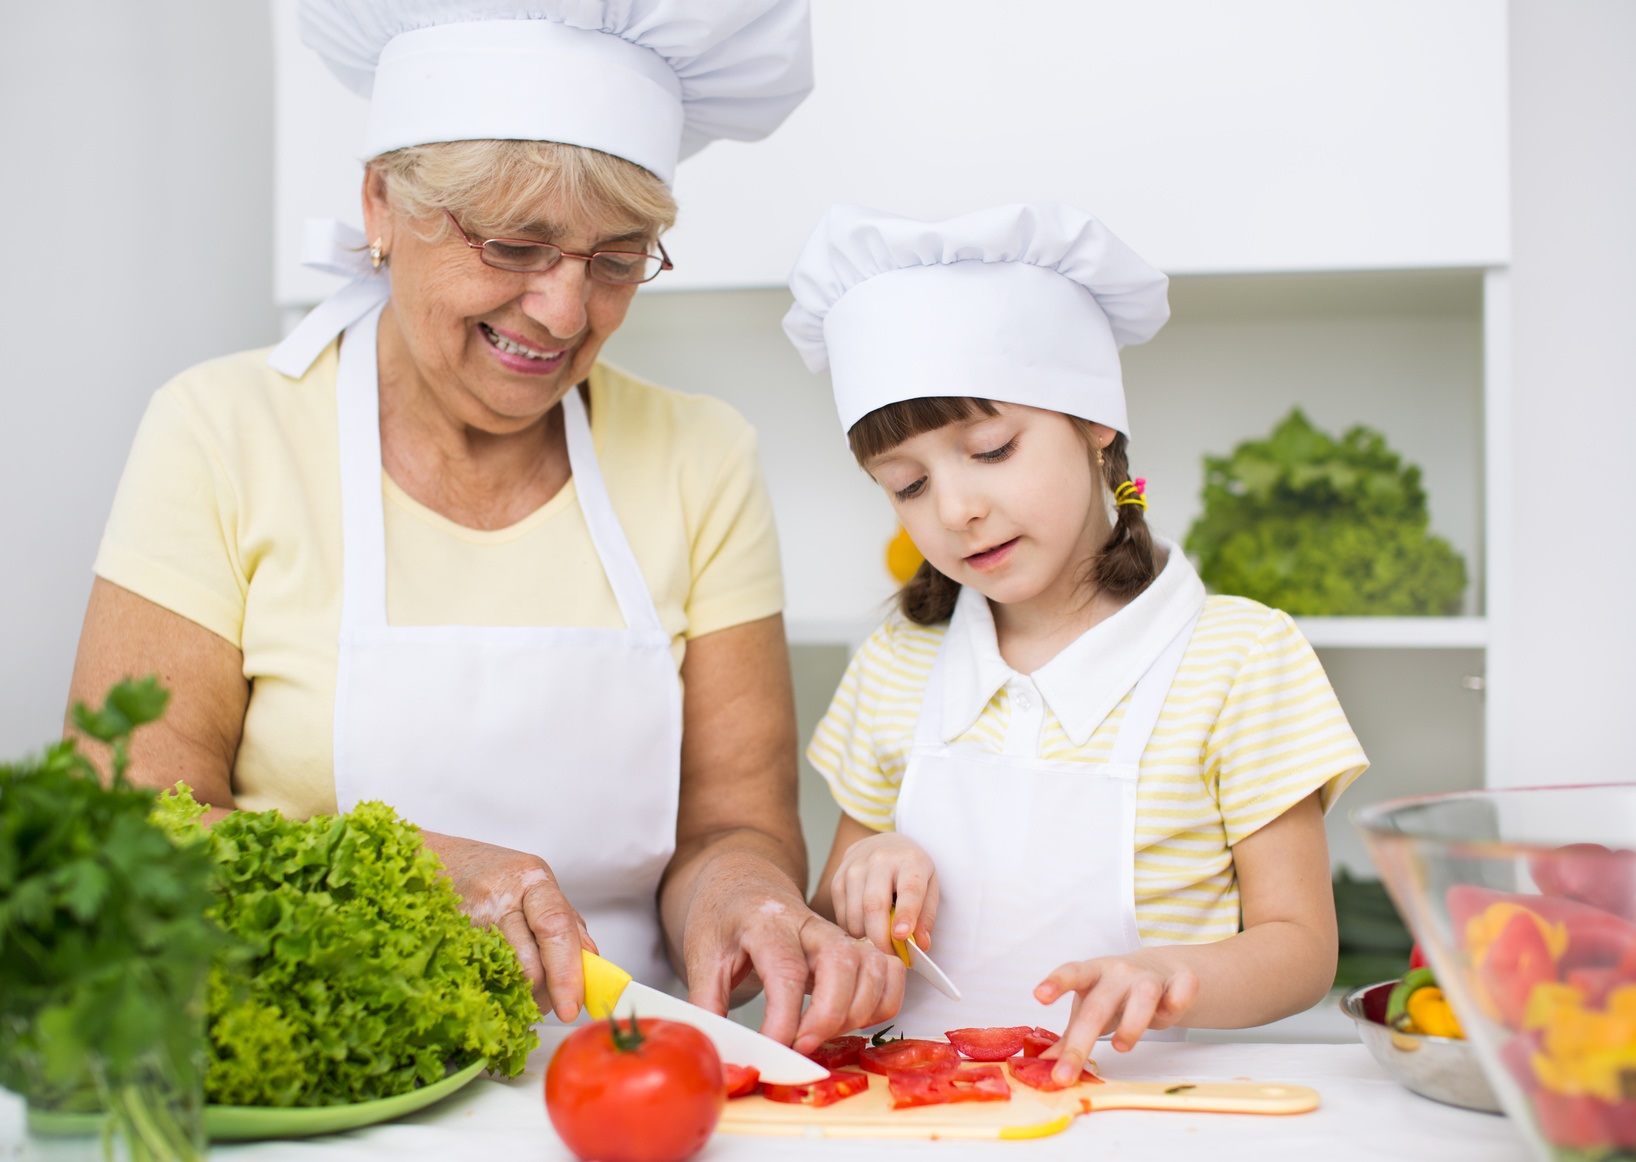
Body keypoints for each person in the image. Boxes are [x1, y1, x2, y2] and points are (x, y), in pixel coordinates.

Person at [66, 0, 904, 1053]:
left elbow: (733, 826)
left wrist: (746, 895)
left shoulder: (702, 454)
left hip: (622, 1072)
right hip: (331, 1071)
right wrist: (397, 875)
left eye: (616, 259)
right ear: (381, 203)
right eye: (515, 245)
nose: (563, 313)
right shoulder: (222, 431)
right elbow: (129, 828)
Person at [783, 203, 1368, 1083]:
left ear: (1098, 426)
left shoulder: (1243, 658)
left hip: (1142, 1111)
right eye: (907, 485)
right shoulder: (896, 660)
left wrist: (1173, 977)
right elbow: (836, 928)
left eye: (991, 450)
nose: (955, 510)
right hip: (925, 1110)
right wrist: (865, 871)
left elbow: (1301, 950)